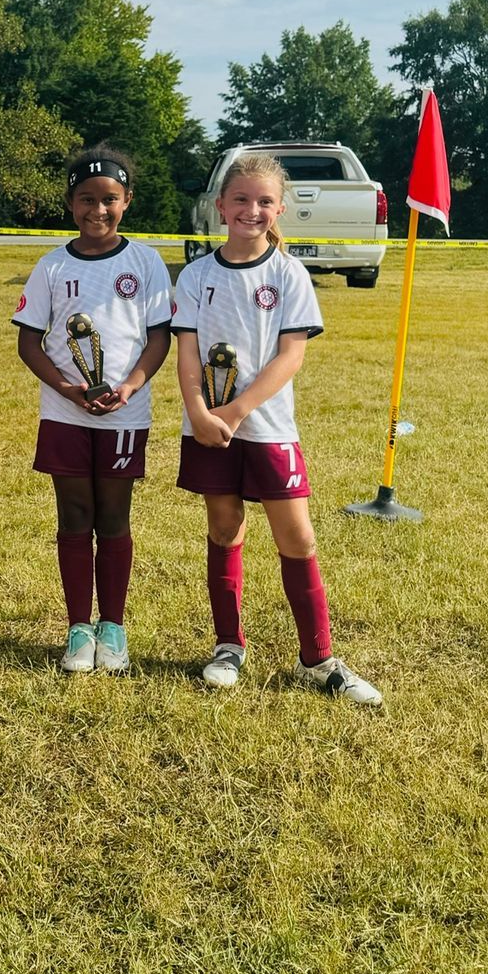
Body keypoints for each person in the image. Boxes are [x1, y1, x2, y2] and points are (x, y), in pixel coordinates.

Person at [174, 152, 382, 705]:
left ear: (279, 208)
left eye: (264, 201)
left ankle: (317, 658)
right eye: (240, 199)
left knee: (298, 535)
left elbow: (291, 356)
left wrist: (237, 411)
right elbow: (188, 355)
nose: (251, 209)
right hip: (207, 425)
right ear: (220, 206)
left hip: (264, 426)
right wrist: (198, 412)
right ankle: (227, 646)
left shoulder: (288, 273)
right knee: (224, 527)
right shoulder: (196, 274)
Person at [13, 147, 173, 675]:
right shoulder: (53, 264)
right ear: (70, 202)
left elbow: (157, 338)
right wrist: (67, 388)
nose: (97, 211)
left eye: (109, 200)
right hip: (66, 412)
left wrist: (128, 386)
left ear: (127, 201)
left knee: (115, 516)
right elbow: (29, 342)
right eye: (86, 200)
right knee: (75, 516)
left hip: (125, 413)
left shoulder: (145, 261)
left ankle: (114, 627)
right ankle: (79, 626)